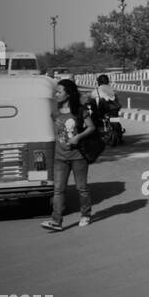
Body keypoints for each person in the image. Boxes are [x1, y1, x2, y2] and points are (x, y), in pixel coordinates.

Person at [41, 79, 98, 231]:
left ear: (68, 94)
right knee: (58, 190)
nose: (56, 94)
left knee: (82, 188)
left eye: (59, 92)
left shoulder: (79, 110)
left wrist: (77, 137)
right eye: (56, 91)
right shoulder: (55, 112)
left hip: (78, 156)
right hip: (60, 157)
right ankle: (56, 221)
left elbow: (91, 127)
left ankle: (85, 214)